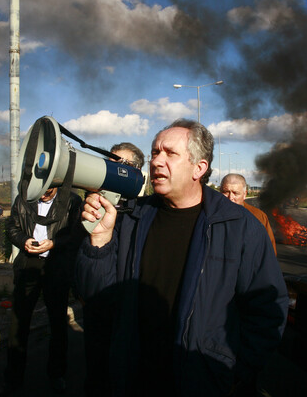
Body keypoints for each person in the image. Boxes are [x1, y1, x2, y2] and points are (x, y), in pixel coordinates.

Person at [76, 119, 288, 396]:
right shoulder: (129, 218)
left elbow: (268, 309)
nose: (156, 161)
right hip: (135, 377)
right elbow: (96, 299)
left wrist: (235, 372)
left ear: (198, 168)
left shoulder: (239, 227)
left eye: (170, 153)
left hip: (201, 380)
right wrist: (99, 242)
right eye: (154, 152)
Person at [2, 183, 84, 395]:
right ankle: (13, 379)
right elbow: (12, 226)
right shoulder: (24, 198)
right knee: (19, 322)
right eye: (43, 188)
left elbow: (77, 234)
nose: (46, 192)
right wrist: (24, 240)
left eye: (51, 188)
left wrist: (54, 243)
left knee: (57, 321)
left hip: (56, 265)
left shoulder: (72, 201)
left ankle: (57, 374)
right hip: (29, 263)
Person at [82, 142, 145, 397]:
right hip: (97, 316)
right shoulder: (90, 209)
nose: (112, 169)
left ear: (136, 172)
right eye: (111, 163)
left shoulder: (143, 214)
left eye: (122, 165)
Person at [220, 173, 277, 254]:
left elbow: (269, 251)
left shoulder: (259, 217)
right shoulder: (210, 215)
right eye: (226, 192)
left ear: (244, 194)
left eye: (235, 193)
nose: (230, 198)